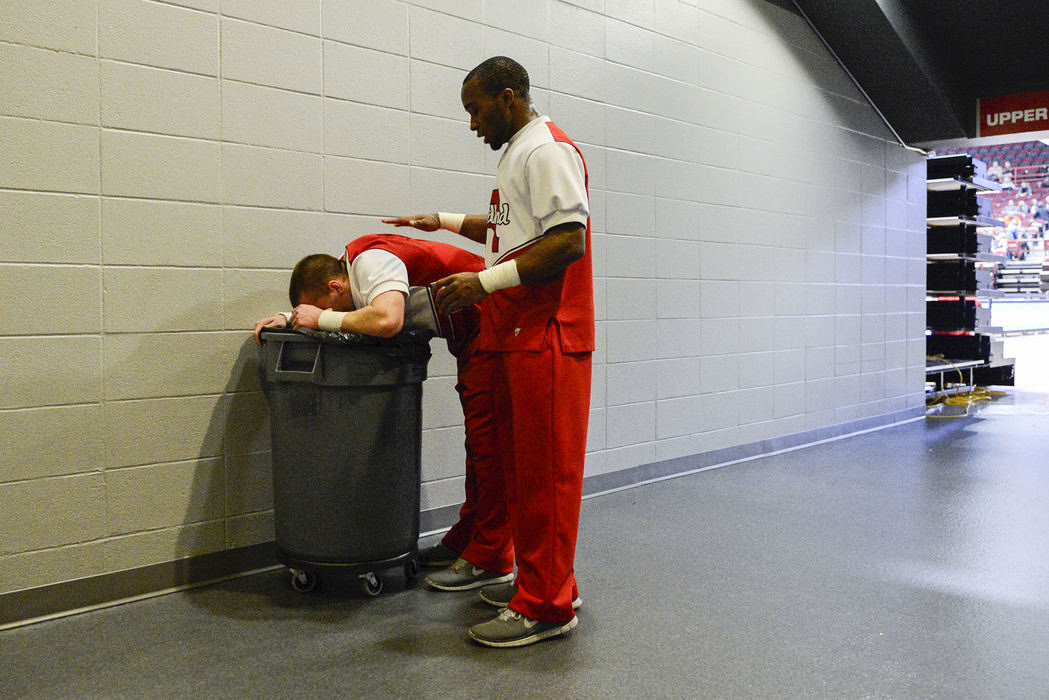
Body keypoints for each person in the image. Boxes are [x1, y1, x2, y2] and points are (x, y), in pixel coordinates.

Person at [383, 55, 593, 648]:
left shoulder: (547, 149)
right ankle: (543, 580)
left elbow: (567, 242)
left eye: (476, 109)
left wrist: (484, 283)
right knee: (523, 473)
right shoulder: (520, 151)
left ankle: (548, 607)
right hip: (517, 334)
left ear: (507, 97)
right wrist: (443, 221)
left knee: (547, 476)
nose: (473, 124)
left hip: (548, 334)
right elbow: (509, 229)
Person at [254, 234, 515, 592]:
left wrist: (323, 318)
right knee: (479, 445)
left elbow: (387, 320)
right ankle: (470, 537)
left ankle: (491, 556)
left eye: (327, 305)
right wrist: (292, 318)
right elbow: (354, 310)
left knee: (489, 445)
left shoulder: (370, 261)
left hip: (497, 325)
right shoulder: (357, 274)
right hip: (475, 333)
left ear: (335, 285)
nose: (331, 313)